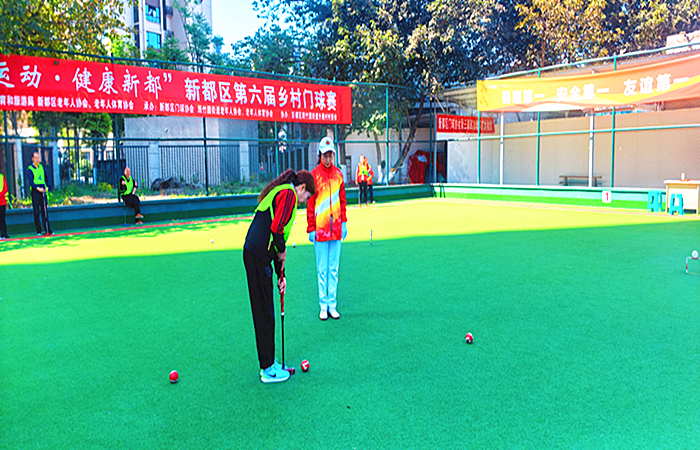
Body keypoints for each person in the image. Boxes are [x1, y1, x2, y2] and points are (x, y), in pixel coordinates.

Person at [244, 168, 315, 383]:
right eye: (307, 197)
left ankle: (269, 362)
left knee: (266, 311)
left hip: (259, 256)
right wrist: (282, 252)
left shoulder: (284, 193)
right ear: (302, 188)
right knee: (264, 313)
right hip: (257, 256)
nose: (304, 202)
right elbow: (276, 230)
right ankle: (267, 369)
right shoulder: (289, 194)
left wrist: (280, 275)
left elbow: (277, 239)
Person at [307, 137, 348, 320]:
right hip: (321, 230)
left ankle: (332, 304)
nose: (328, 158)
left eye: (330, 155)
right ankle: (323, 305)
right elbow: (310, 204)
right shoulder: (314, 175)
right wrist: (311, 228)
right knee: (322, 269)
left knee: (334, 269)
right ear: (320, 155)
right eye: (325, 155)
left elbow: (343, 201)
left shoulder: (339, 174)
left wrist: (344, 222)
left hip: (336, 229)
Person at [27, 151, 52, 236]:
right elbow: (31, 182)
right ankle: (39, 231)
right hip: (36, 192)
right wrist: (38, 189)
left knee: (44, 210)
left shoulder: (42, 167)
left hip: (43, 191)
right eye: (36, 157)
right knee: (36, 211)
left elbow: (47, 177)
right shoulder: (30, 169)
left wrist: (47, 187)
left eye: (39, 157)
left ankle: (48, 229)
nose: (38, 159)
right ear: (32, 159)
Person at [0, 171, 10, 239]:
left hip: (2, 202)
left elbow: (5, 189)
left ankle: (4, 234)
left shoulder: (1, 177)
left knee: (2, 219)